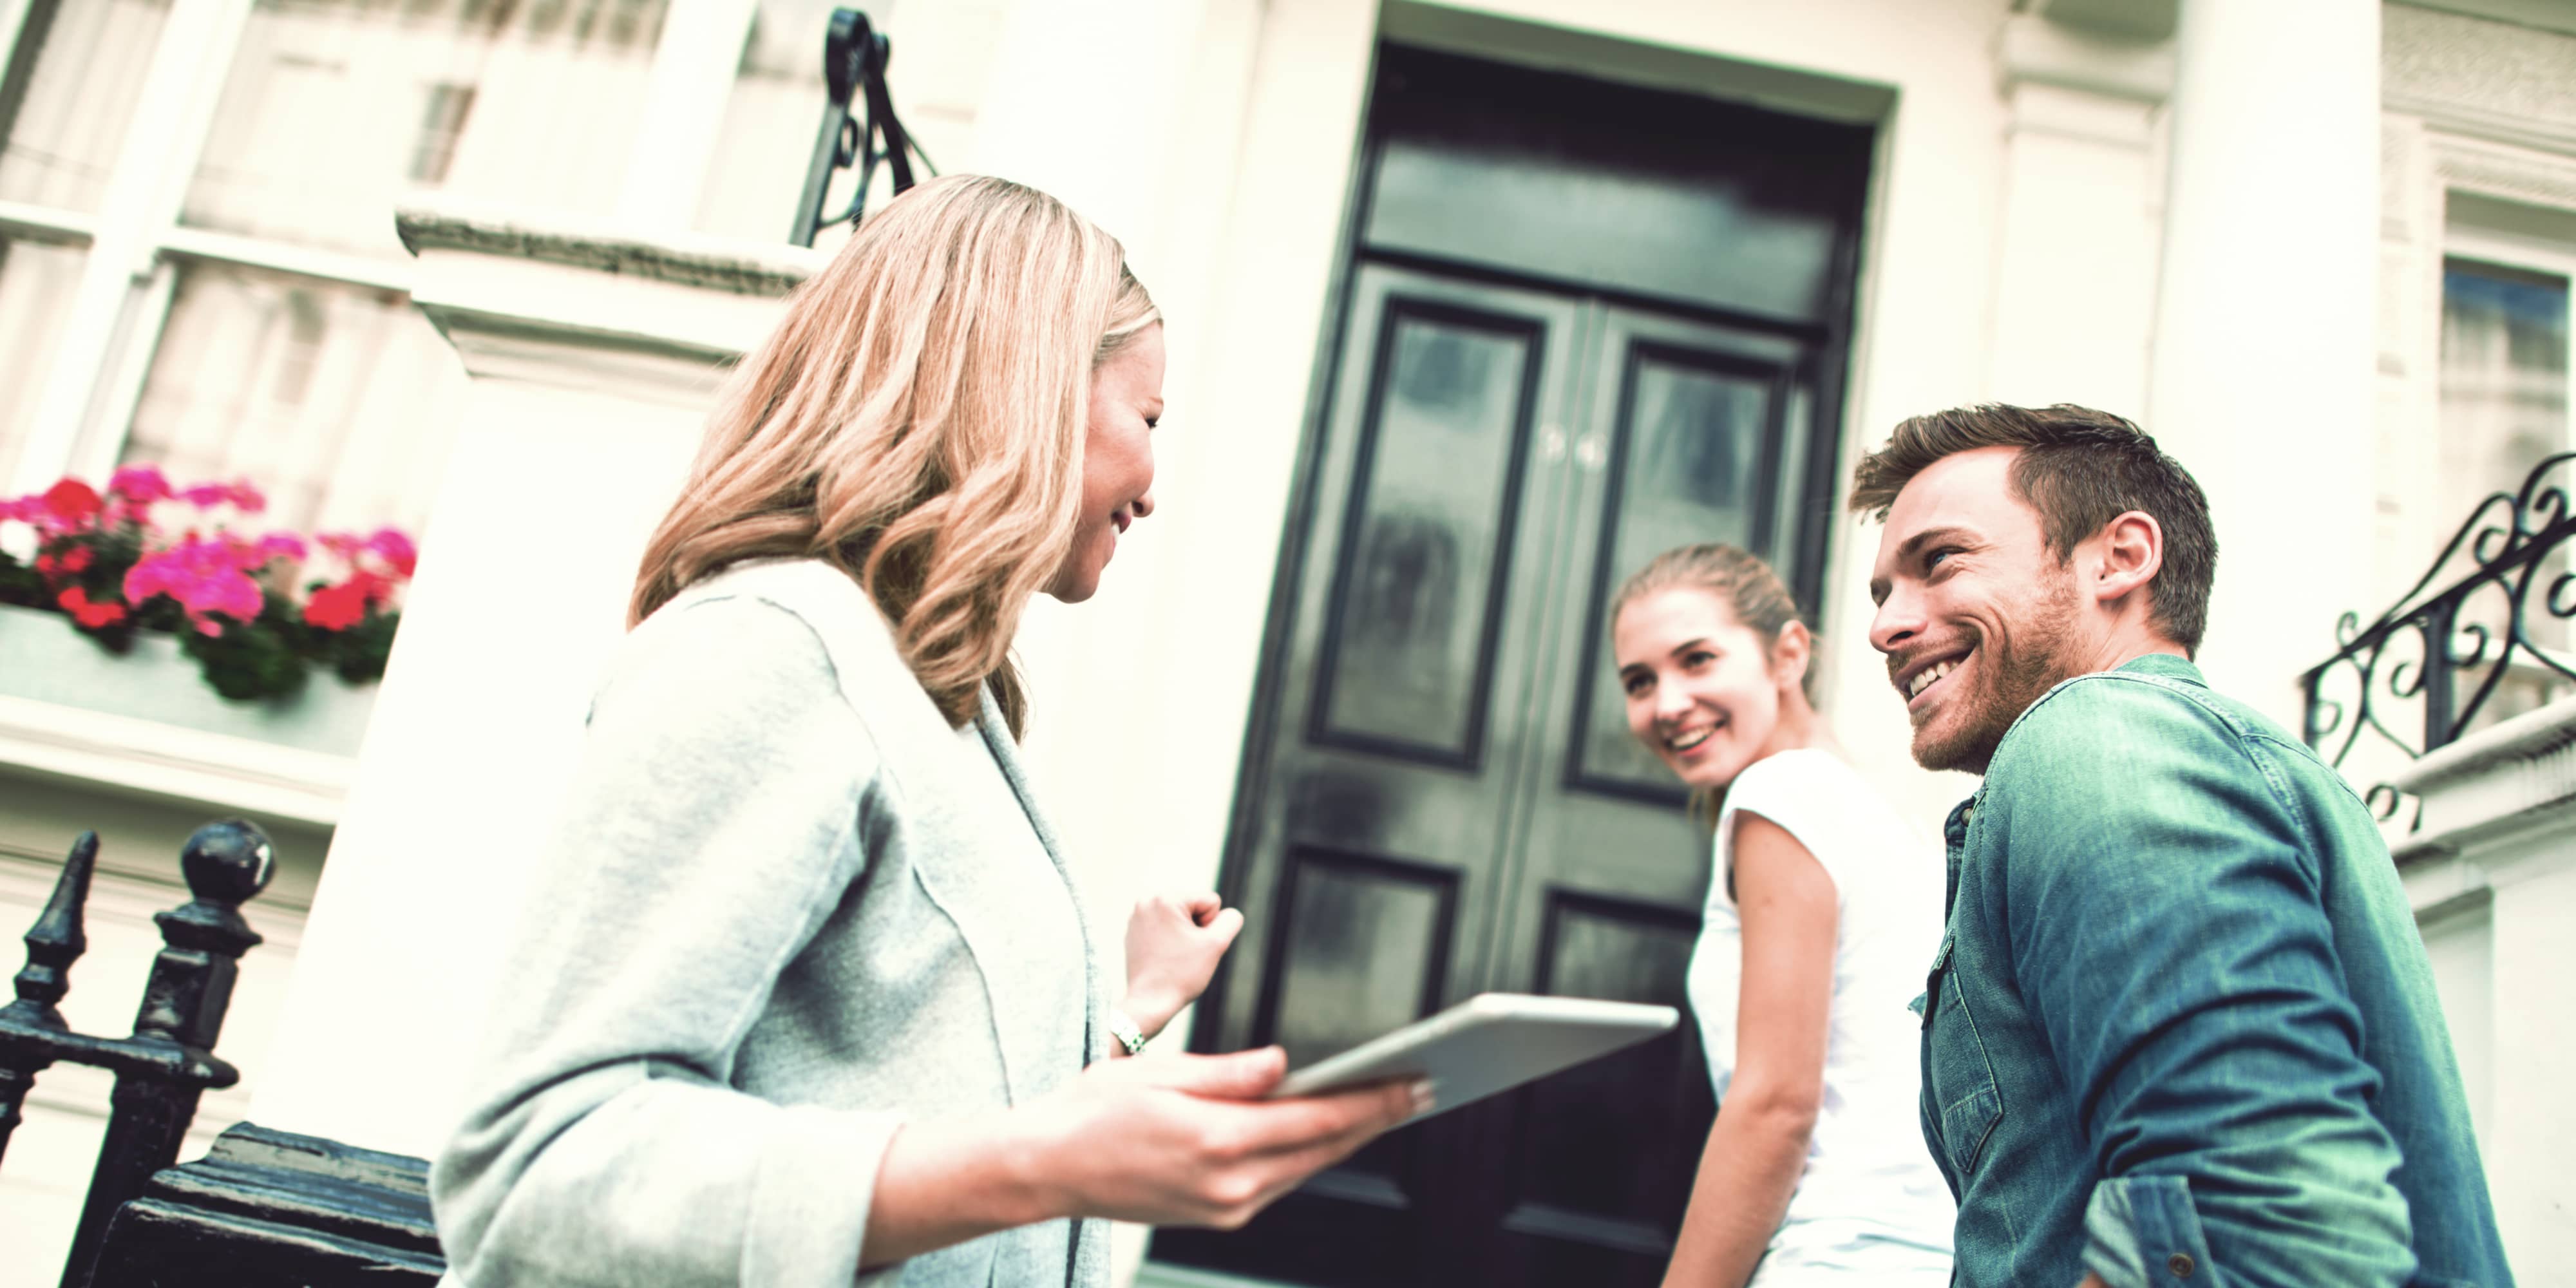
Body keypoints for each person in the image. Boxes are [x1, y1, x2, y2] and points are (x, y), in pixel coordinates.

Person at [428, 175, 1422, 1288]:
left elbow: (900, 1088)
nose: (1151, 487)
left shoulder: (937, 694)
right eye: (1148, 421)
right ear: (1025, 392)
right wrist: (1042, 1162)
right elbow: (540, 1168)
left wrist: (1128, 1017)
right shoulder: (769, 651)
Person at [1850, 403, 2513, 1288]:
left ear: (2120, 558)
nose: (1886, 625)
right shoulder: (2215, 760)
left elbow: (2250, 1231)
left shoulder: (2095, 743)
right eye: (1883, 594)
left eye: (1940, 562)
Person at [1611, 544, 1953, 1288]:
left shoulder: (1782, 794)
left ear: (1787, 653)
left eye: (1696, 659)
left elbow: (1774, 1106)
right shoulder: (1868, 802)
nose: (1666, 702)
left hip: (1838, 1255)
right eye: (1640, 680)